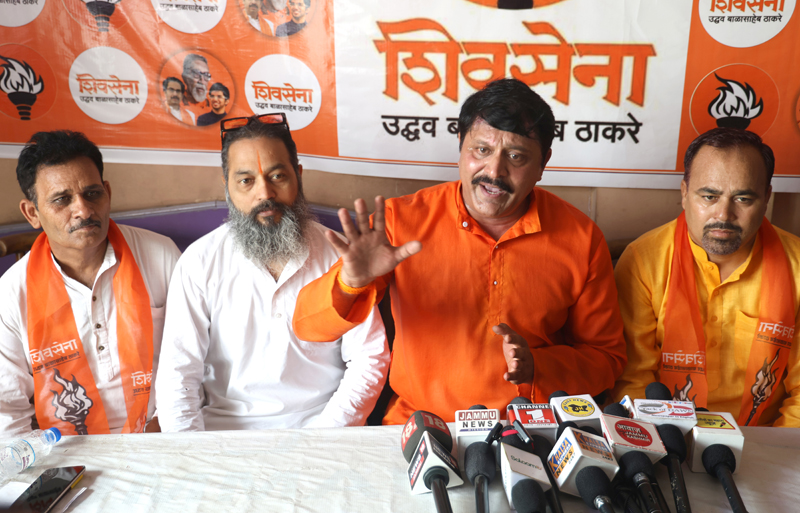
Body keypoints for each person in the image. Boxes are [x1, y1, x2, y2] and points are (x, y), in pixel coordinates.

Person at [293, 78, 627, 424]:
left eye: (516, 156)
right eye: (481, 150)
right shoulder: (398, 222)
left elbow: (607, 358)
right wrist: (350, 282)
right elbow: (308, 327)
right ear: (460, 146)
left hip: (530, 424)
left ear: (543, 163)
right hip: (422, 423)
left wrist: (540, 367)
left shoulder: (581, 238)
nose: (494, 171)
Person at [155, 114, 389, 431]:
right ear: (227, 187)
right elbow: (178, 374)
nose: (264, 193)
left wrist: (325, 438)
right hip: (224, 434)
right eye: (246, 181)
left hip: (323, 427)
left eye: (277, 176)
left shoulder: (342, 254)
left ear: (298, 176)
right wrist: (192, 452)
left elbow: (369, 359)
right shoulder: (199, 262)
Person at [613, 128, 800, 427]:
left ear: (766, 197)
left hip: (765, 437)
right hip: (666, 436)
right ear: (684, 193)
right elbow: (633, 381)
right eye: (709, 196)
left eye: (743, 198)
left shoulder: (797, 266)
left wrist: (770, 449)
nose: (723, 214)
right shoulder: (643, 261)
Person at [0, 131, 181, 437]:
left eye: (92, 193)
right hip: (64, 450)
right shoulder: (11, 294)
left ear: (107, 192)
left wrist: (165, 426)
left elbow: (198, 361)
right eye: (62, 200)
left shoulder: (161, 256)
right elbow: (6, 411)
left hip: (163, 433)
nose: (83, 210)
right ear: (32, 213)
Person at [181, 54, 211, 120]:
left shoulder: (214, 107)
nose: (202, 81)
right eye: (196, 74)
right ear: (185, 77)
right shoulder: (174, 104)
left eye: (206, 75)